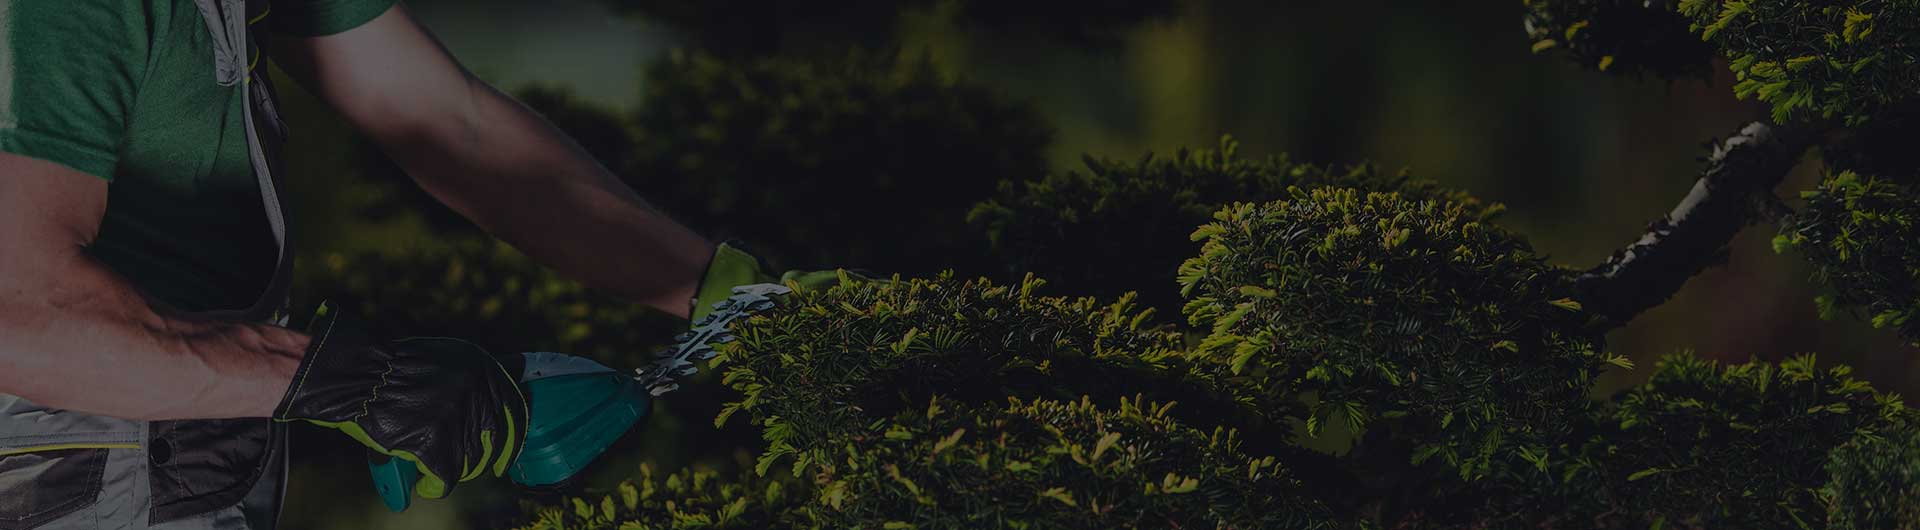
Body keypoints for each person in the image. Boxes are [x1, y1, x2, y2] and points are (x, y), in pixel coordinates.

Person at [0, 1, 804, 528]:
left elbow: (447, 124)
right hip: (67, 461)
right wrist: (356, 382)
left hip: (194, 440)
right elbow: (27, 317)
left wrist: (722, 286)